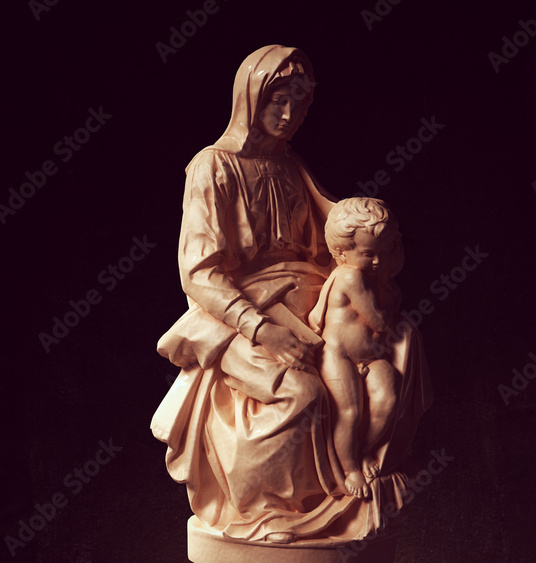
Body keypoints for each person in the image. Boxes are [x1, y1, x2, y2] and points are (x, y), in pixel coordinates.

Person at [152, 45, 433, 547]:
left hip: (308, 301)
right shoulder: (212, 168)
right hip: (236, 312)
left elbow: (336, 238)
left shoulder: (289, 165)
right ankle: (267, 511)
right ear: (249, 99)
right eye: (278, 100)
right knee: (302, 393)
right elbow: (199, 274)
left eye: (300, 103)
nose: (288, 114)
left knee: (397, 351)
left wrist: (374, 262)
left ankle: (361, 473)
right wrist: (262, 330)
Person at [310, 198, 402, 499]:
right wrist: (391, 297)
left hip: (371, 357)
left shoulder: (367, 275)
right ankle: (350, 469)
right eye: (368, 254)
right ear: (341, 253)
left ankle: (364, 450)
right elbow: (378, 321)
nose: (377, 261)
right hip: (340, 356)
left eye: (383, 253)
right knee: (349, 413)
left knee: (388, 400)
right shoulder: (350, 275)